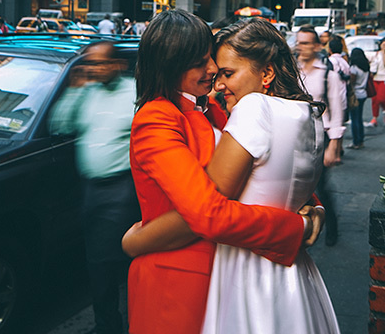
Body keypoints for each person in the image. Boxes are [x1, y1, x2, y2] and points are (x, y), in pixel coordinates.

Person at [124, 19, 339, 334]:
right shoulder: (157, 119)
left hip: (226, 275)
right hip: (177, 280)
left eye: (213, 60)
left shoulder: (216, 109)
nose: (212, 68)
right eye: (201, 62)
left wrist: (311, 204)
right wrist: (297, 225)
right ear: (171, 66)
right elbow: (205, 211)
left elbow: (258, 172)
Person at [48, 41, 140, 334]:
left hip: (123, 189)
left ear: (117, 65)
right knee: (98, 264)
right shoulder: (86, 92)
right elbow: (59, 125)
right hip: (91, 190)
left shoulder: (134, 92)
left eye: (100, 63)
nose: (94, 69)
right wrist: (75, 89)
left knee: (117, 263)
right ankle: (107, 324)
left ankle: (129, 323)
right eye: (90, 64)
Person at [295, 26, 344, 246]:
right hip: (295, 136)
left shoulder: (328, 74)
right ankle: (301, 228)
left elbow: (337, 109)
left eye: (306, 43)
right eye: (299, 42)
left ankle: (330, 227)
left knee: (321, 187)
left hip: (319, 138)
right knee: (296, 185)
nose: (301, 47)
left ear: (317, 46)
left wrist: (334, 143)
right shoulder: (292, 70)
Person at [347, 47, 371, 149]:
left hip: (355, 94)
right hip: (363, 93)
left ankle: (356, 142)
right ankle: (360, 140)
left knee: (354, 119)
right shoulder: (366, 67)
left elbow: (351, 82)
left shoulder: (354, 68)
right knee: (359, 118)